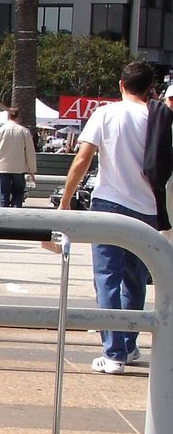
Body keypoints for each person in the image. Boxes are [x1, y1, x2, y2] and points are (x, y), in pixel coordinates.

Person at [59, 60, 161, 374]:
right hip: (147, 209)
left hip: (109, 204)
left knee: (107, 278)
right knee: (135, 281)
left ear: (121, 84)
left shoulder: (105, 113)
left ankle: (113, 353)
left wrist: (65, 200)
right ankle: (128, 346)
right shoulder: (157, 117)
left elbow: (83, 158)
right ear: (150, 88)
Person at [0, 106, 37, 208]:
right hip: (19, 168)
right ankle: (16, 213)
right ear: (18, 116)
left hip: (2, 168)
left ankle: (4, 215)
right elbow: (30, 152)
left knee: (3, 195)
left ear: (7, 115)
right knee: (18, 194)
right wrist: (32, 170)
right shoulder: (24, 131)